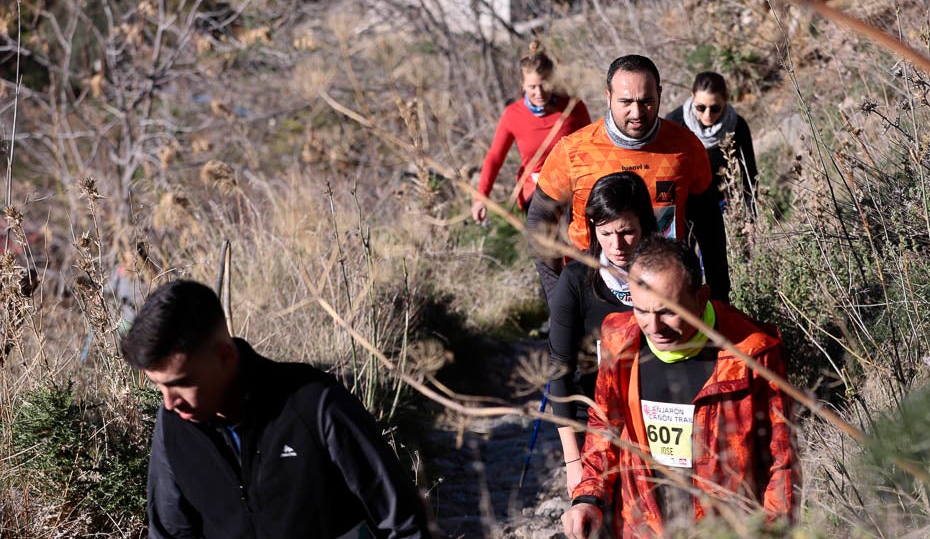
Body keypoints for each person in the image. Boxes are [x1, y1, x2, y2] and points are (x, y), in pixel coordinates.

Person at [120, 280, 434, 539]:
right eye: (159, 386)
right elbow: (170, 533)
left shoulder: (315, 406)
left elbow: (406, 525)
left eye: (182, 383)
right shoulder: (173, 426)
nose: (169, 402)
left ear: (225, 356)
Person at [561, 237, 795, 539]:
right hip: (643, 525)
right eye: (642, 310)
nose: (654, 327)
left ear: (701, 298)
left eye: (668, 311)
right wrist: (588, 498)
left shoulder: (753, 355)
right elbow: (604, 428)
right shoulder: (619, 341)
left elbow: (782, 460)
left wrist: (774, 530)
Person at [526, 55, 728, 304]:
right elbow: (539, 221)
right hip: (592, 296)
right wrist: (557, 295)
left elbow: (709, 224)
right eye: (626, 102)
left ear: (659, 94)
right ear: (608, 97)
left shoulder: (685, 147)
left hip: (664, 294)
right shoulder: (573, 150)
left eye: (646, 101)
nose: (637, 113)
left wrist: (719, 296)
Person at [548, 171, 657, 495]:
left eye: (626, 232)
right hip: (597, 425)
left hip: (657, 420)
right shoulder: (576, 280)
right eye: (605, 233)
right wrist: (573, 462)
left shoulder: (667, 274)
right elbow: (559, 370)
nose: (616, 245)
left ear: (644, 225)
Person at [472, 41, 591, 223]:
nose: (539, 92)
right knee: (544, 229)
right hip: (535, 192)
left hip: (571, 188)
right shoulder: (513, 114)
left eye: (544, 85)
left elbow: (590, 149)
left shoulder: (573, 108)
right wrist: (481, 197)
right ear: (523, 85)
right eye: (532, 87)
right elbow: (495, 156)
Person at [664, 71, 758, 219]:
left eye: (715, 108)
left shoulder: (737, 126)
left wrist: (750, 217)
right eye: (701, 107)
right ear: (692, 97)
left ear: (726, 99)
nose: (707, 115)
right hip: (683, 206)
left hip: (722, 206)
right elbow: (664, 173)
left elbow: (749, 172)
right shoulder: (674, 122)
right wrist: (666, 219)